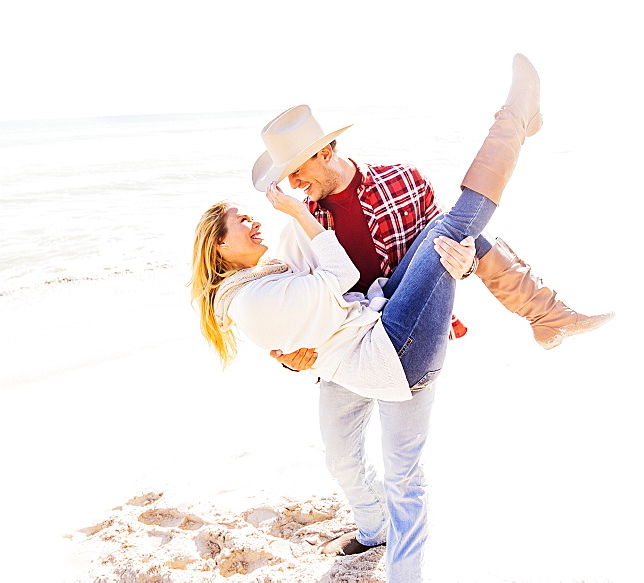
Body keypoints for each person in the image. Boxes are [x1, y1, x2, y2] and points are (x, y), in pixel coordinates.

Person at [190, 55, 612, 582]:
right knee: (341, 458)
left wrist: (459, 270)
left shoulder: (402, 183)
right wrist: (292, 358)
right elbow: (294, 310)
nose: (295, 184)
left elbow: (438, 257)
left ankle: (518, 136)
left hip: (401, 338)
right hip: (344, 350)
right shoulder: (300, 225)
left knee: (458, 233)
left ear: (325, 150)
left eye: (298, 169)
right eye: (287, 177)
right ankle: (374, 530)